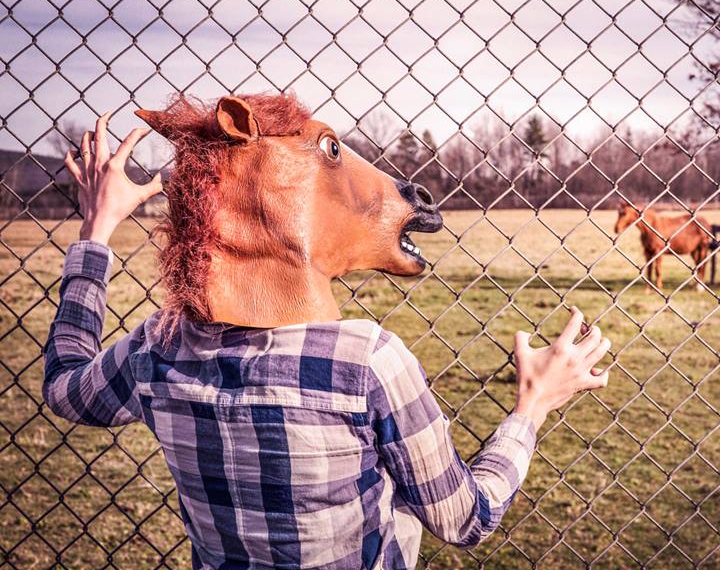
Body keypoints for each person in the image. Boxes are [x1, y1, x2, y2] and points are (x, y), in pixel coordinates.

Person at [43, 108, 611, 569]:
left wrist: (96, 231)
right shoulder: (365, 362)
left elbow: (66, 387)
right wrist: (532, 405)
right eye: (331, 152)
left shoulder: (158, 349)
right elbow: (465, 520)